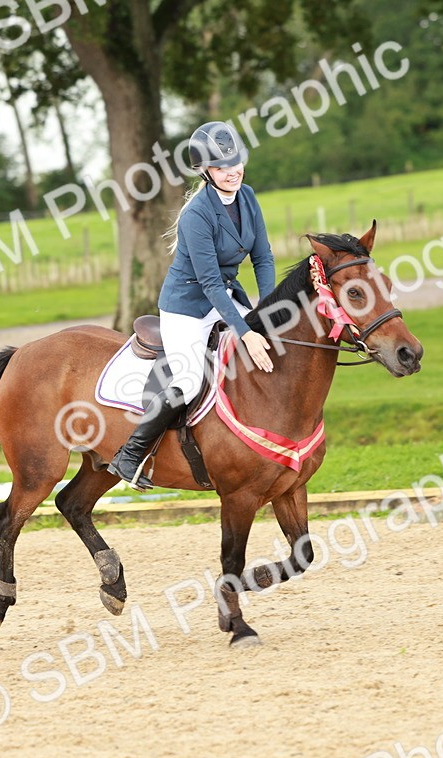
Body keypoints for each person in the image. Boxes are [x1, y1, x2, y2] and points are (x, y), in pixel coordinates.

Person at [107, 121, 276, 490]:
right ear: (205, 170)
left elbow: (263, 258)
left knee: (272, 346)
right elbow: (210, 283)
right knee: (186, 381)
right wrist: (246, 332)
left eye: (236, 162)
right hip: (186, 306)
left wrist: (268, 309)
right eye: (221, 166)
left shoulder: (247, 196)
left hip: (225, 297)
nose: (232, 172)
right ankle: (130, 455)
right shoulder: (196, 214)